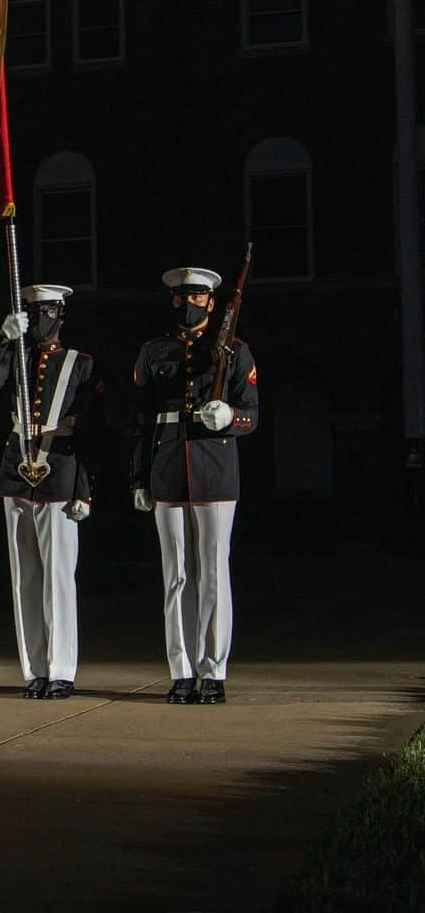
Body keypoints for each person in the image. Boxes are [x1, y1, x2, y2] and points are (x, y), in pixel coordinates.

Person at [130, 267, 258, 705]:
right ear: (174, 301)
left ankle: (214, 670)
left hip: (215, 468)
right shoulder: (154, 351)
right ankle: (181, 670)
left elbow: (251, 413)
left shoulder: (234, 351)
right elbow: (142, 420)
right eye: (183, 297)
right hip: (166, 466)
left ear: (212, 302)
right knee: (177, 576)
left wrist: (230, 418)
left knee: (213, 575)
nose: (190, 304)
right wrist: (138, 476)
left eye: (198, 297)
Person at [0, 284, 97, 700]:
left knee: (58, 578)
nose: (41, 320)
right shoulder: (15, 358)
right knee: (25, 578)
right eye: (34, 312)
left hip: (59, 471)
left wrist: (85, 488)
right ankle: (34, 669)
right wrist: (2, 338)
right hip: (16, 473)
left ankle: (61, 668)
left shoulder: (81, 363)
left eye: (47, 313)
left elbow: (93, 432)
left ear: (60, 314)